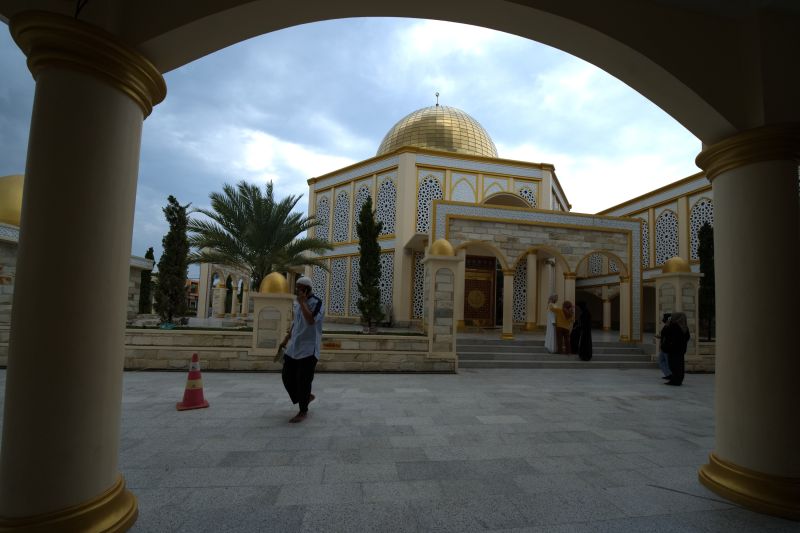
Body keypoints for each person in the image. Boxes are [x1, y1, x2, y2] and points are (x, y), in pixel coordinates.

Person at [279, 276, 324, 422]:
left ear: (307, 289)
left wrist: (303, 303)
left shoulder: (317, 303)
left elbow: (311, 320)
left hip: (309, 349)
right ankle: (305, 397)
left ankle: (303, 410)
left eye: (300, 288)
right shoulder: (297, 303)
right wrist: (287, 337)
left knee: (303, 380)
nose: (297, 290)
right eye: (297, 287)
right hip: (294, 346)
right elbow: (295, 322)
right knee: (286, 375)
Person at [661, 311, 690, 386]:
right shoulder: (684, 327)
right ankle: (678, 380)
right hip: (680, 350)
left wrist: (667, 326)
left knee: (673, 365)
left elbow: (667, 334)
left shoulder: (674, 326)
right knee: (680, 365)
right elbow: (687, 337)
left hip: (673, 350)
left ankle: (675, 381)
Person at [654, 312, 672, 380]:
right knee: (661, 361)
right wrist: (660, 337)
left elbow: (669, 337)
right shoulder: (666, 326)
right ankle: (668, 374)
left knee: (667, 362)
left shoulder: (671, 327)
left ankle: (670, 374)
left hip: (667, 348)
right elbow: (664, 336)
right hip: (663, 347)